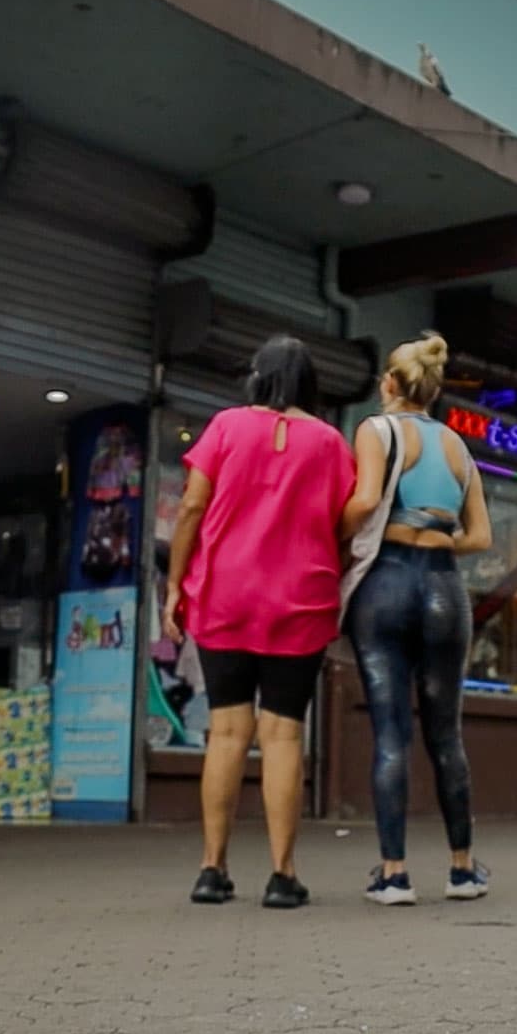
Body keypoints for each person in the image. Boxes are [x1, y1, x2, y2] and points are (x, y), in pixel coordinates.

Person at [161, 335, 355, 910]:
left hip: (224, 594)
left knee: (226, 732)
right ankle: (282, 874)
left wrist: (174, 583)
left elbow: (193, 505)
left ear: (257, 376)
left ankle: (211, 869)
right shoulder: (329, 442)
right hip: (300, 599)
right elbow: (346, 520)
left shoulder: (225, 426)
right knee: (283, 734)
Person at [340, 332, 493, 906]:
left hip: (385, 584)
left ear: (389, 384)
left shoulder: (376, 430)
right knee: (446, 733)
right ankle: (462, 869)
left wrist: (333, 532)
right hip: (443, 587)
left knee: (390, 734)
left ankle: (394, 873)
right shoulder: (458, 447)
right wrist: (436, 535)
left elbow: (362, 503)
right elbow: (480, 536)